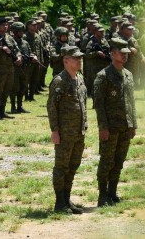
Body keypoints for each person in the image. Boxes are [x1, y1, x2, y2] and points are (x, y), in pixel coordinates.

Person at [93, 38, 137, 207]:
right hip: (110, 127)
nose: (125, 55)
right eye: (121, 52)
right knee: (106, 161)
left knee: (119, 161)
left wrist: (133, 124)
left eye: (126, 52)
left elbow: (131, 101)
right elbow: (99, 105)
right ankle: (102, 195)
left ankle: (112, 192)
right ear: (112, 54)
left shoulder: (128, 74)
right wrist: (102, 127)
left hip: (125, 126)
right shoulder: (103, 76)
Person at [47, 45, 87, 214]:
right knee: (61, 167)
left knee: (73, 166)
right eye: (76, 58)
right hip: (64, 133)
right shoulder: (59, 81)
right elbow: (51, 107)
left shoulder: (79, 78)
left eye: (80, 58)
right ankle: (59, 202)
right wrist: (55, 131)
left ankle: (66, 199)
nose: (79, 61)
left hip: (79, 132)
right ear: (66, 60)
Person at [0, 17, 22, 120]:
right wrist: (0, 48)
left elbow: (17, 49)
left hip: (10, 68)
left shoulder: (10, 38)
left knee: (7, 89)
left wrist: (19, 57)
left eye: (7, 25)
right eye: (3, 25)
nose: (6, 27)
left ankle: (3, 111)